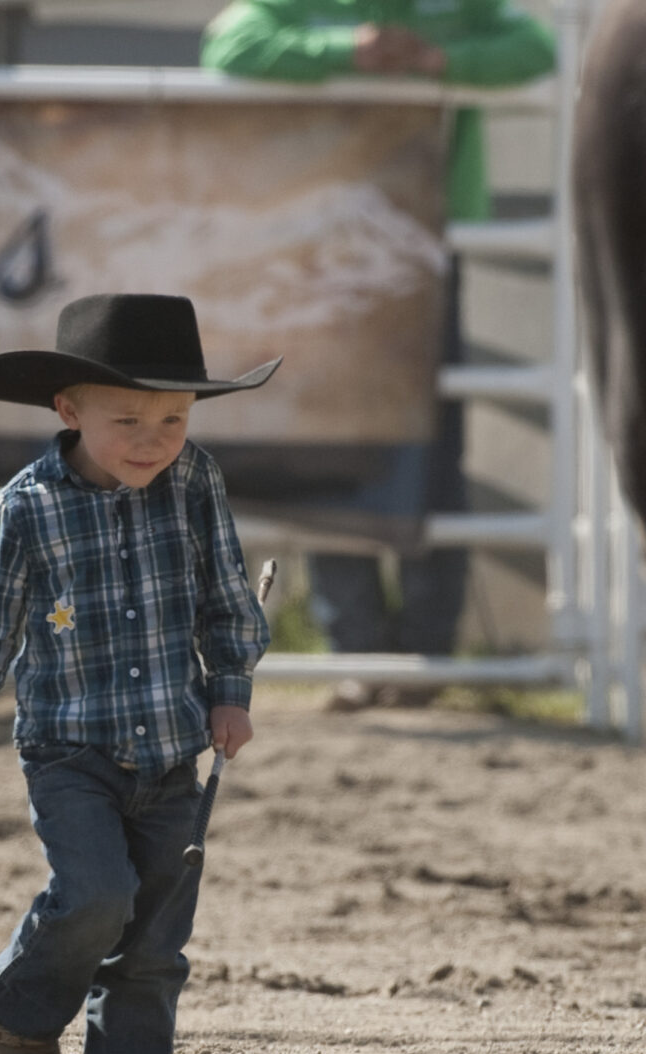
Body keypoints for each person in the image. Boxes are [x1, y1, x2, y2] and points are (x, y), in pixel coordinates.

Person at [0, 294, 275, 1054]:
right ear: (68, 409)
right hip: (70, 751)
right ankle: (16, 1001)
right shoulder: (28, 505)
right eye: (127, 418)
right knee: (96, 893)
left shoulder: (196, 482)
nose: (154, 437)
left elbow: (226, 596)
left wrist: (230, 689)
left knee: (155, 941)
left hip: (171, 749)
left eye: (173, 416)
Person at [203, 0, 554, 686]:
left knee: (429, 442)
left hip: (414, 244)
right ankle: (361, 652)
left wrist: (438, 62)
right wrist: (347, 51)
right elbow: (230, 43)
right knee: (338, 445)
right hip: (329, 248)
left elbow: (536, 48)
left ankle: (425, 652)